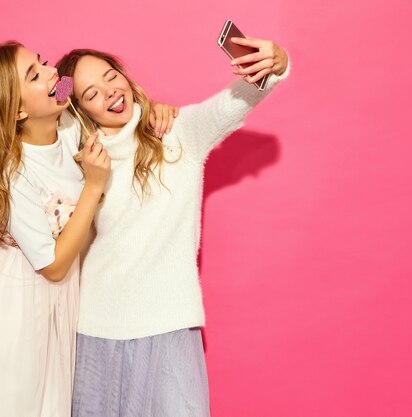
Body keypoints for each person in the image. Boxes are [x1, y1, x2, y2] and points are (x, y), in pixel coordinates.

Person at [56, 35, 290, 417]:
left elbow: (237, 99)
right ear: (79, 108)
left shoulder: (181, 133)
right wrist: (63, 85)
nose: (111, 92)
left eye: (112, 76)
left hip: (169, 320)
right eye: (92, 93)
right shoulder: (82, 154)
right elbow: (46, 112)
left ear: (126, 77)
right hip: (98, 324)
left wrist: (276, 64)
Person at [0, 40, 176, 417]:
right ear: (17, 110)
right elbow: (53, 266)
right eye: (35, 74)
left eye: (43, 62)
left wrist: (152, 110)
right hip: (14, 305)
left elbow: (93, 95)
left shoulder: (65, 119)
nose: (53, 73)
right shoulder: (15, 173)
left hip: (57, 303)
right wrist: (94, 186)